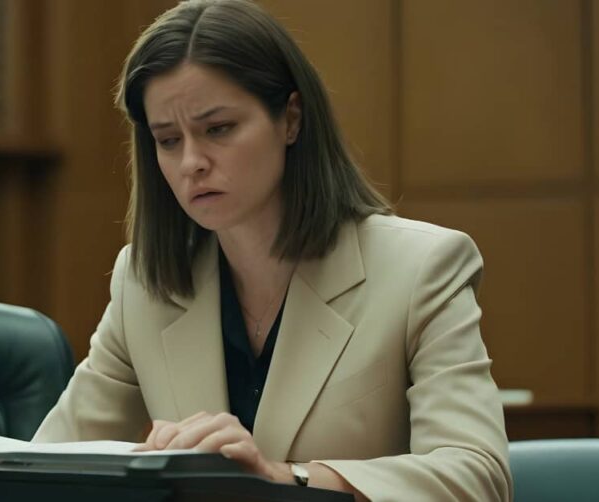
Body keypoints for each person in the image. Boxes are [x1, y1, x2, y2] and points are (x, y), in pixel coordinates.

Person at [32, 1, 511, 500]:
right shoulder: (143, 281)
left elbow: (476, 477)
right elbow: (47, 468)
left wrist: (285, 478)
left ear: (291, 119)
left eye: (218, 129)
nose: (191, 162)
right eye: (169, 140)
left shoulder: (422, 268)